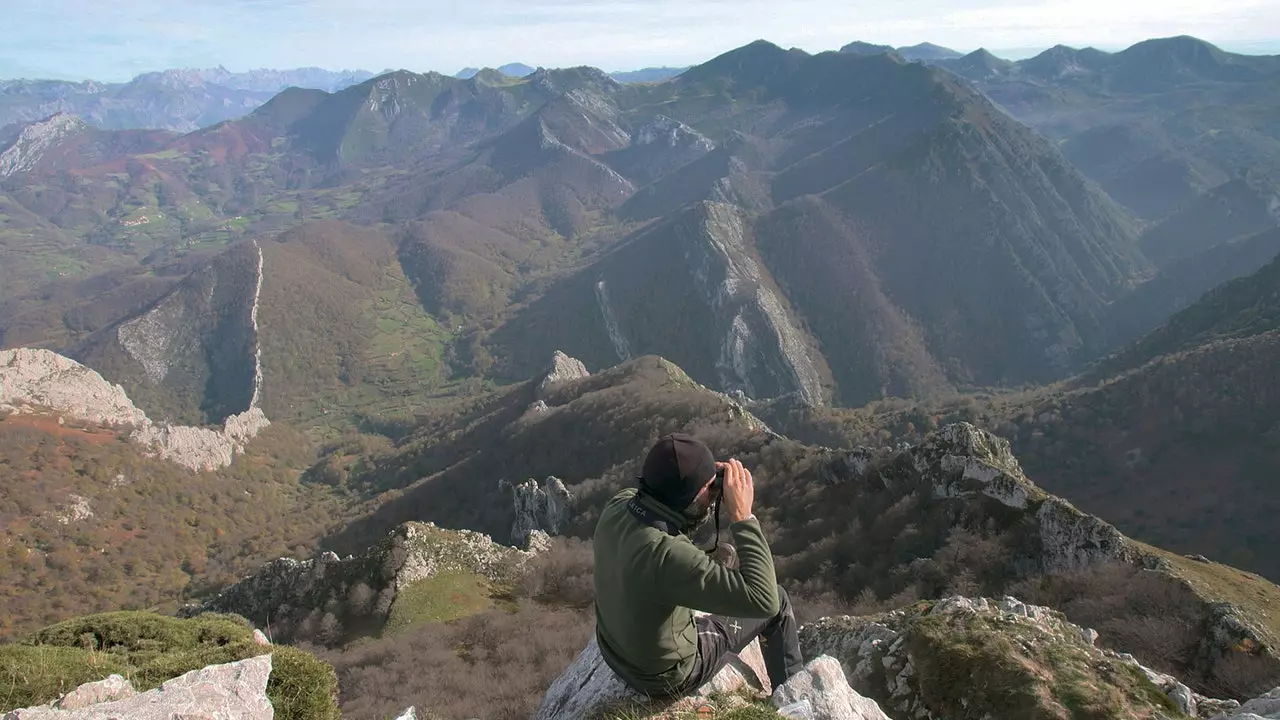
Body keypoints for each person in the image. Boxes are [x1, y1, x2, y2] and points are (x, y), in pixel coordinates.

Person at [592, 432, 804, 697]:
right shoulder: (668, 556)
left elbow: (670, 513)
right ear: (689, 499)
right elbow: (765, 600)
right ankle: (793, 699)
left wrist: (698, 486)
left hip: (613, 652)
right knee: (780, 601)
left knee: (702, 568)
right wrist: (742, 516)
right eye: (707, 488)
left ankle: (704, 574)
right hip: (663, 677)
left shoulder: (619, 504)